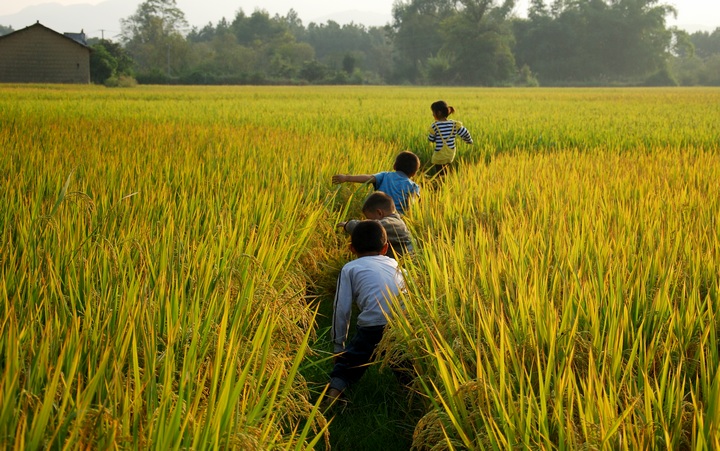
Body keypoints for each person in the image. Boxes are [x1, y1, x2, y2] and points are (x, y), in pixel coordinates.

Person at [324, 220, 407, 405]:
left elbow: (341, 309)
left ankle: (330, 402)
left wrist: (338, 346)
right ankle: (412, 401)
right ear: (385, 248)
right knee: (405, 367)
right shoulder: (395, 264)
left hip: (373, 325)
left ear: (352, 249)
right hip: (402, 324)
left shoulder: (350, 268)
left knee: (347, 366)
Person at [332, 151, 420, 215]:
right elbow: (412, 205)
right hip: (397, 218)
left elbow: (368, 178)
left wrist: (346, 178)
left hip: (376, 214)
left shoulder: (385, 175)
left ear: (394, 166)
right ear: (414, 173)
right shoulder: (413, 186)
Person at [338, 191, 414, 259]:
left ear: (379, 213)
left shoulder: (391, 223)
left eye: (369, 219)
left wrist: (347, 225)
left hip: (404, 268)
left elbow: (368, 229)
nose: (368, 221)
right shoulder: (396, 221)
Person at [428, 100, 473, 177]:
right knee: (446, 169)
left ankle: (440, 185)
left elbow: (431, 139)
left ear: (438, 113)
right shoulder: (454, 124)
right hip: (450, 153)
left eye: (433, 112)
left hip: (439, 154)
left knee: (439, 172)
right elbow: (465, 133)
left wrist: (434, 139)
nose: (432, 114)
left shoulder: (435, 126)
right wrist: (469, 141)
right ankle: (446, 182)